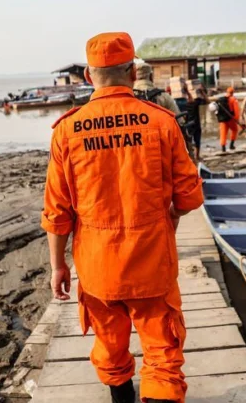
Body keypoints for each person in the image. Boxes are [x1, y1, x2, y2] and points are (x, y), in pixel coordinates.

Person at [42, 32, 204, 403]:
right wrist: (170, 219)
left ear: (87, 75)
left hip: (98, 268)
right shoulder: (161, 122)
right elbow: (189, 195)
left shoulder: (68, 129)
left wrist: (58, 266)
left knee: (111, 345)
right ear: (132, 73)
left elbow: (57, 210)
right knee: (163, 352)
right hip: (152, 263)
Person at [184, 85, 207, 161]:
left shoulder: (192, 103)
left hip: (192, 125)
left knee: (194, 141)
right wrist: (202, 91)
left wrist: (201, 91)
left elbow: (207, 101)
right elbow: (207, 100)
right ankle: (193, 156)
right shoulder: (194, 103)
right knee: (192, 141)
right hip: (192, 125)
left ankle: (195, 156)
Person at [217, 86, 240, 152]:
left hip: (222, 119)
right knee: (234, 130)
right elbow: (236, 110)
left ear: (227, 92)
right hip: (231, 119)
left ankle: (223, 147)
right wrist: (237, 119)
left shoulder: (221, 99)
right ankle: (231, 145)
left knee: (223, 133)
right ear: (233, 92)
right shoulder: (233, 99)